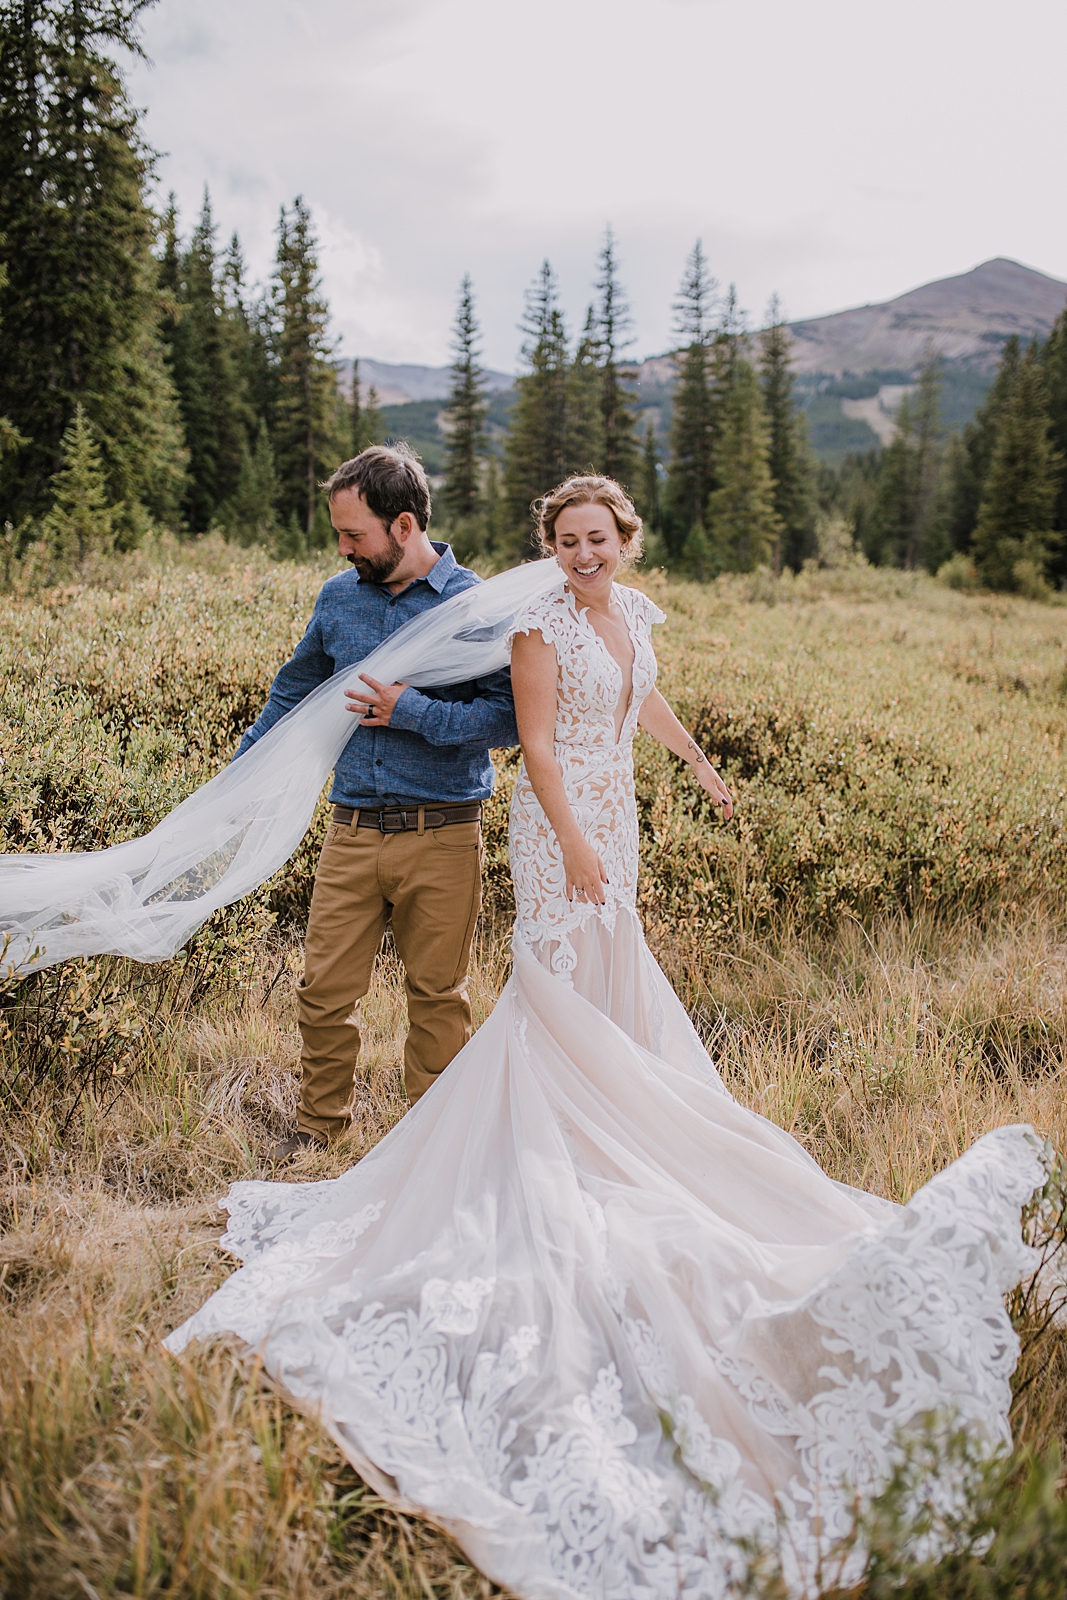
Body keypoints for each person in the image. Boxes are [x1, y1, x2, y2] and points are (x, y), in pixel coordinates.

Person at [167, 477, 1052, 1600]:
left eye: (599, 539)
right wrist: (574, 848)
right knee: (558, 979)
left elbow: (639, 704)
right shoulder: (533, 622)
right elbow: (531, 741)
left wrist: (692, 761)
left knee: (610, 973)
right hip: (560, 828)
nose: (583, 554)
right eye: (566, 539)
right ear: (549, 547)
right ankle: (545, 1130)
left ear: (625, 543)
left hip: (618, 814)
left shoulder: (631, 616)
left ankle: (615, 1115)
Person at [234, 444, 518, 1160]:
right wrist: (240, 772)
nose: (342, 548)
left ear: (401, 524)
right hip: (352, 830)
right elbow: (293, 691)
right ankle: (319, 1136)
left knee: (437, 998)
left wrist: (411, 711)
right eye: (338, 534)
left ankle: (430, 1149)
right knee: (323, 993)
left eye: (352, 534)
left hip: (444, 831)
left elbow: (508, 718)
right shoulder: (338, 598)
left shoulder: (474, 606)